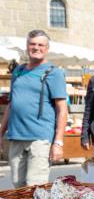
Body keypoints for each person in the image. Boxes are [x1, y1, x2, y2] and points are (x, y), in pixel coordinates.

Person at [0, 30, 68, 188]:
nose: (36, 47)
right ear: (27, 46)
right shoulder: (18, 71)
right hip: (16, 137)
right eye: (33, 44)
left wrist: (58, 142)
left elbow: (62, 110)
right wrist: (1, 133)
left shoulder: (53, 73)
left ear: (47, 48)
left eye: (41, 44)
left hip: (40, 138)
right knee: (18, 186)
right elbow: (11, 105)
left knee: (35, 186)